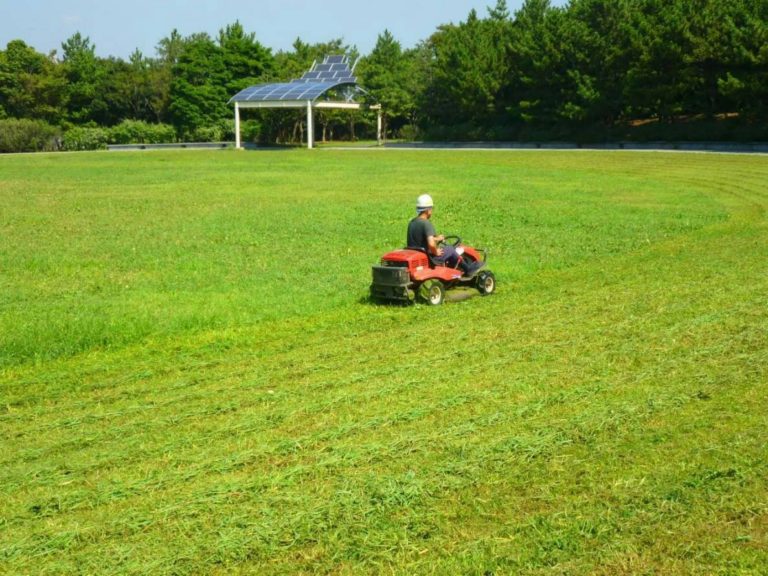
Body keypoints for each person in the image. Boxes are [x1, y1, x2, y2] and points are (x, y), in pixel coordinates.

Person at [406, 194, 479, 275]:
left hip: (418, 253)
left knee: (445, 249)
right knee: (450, 249)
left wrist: (437, 239)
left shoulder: (412, 222)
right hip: (430, 258)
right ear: (428, 210)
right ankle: (468, 269)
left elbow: (420, 238)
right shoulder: (426, 224)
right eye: (431, 209)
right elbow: (431, 244)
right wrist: (436, 252)